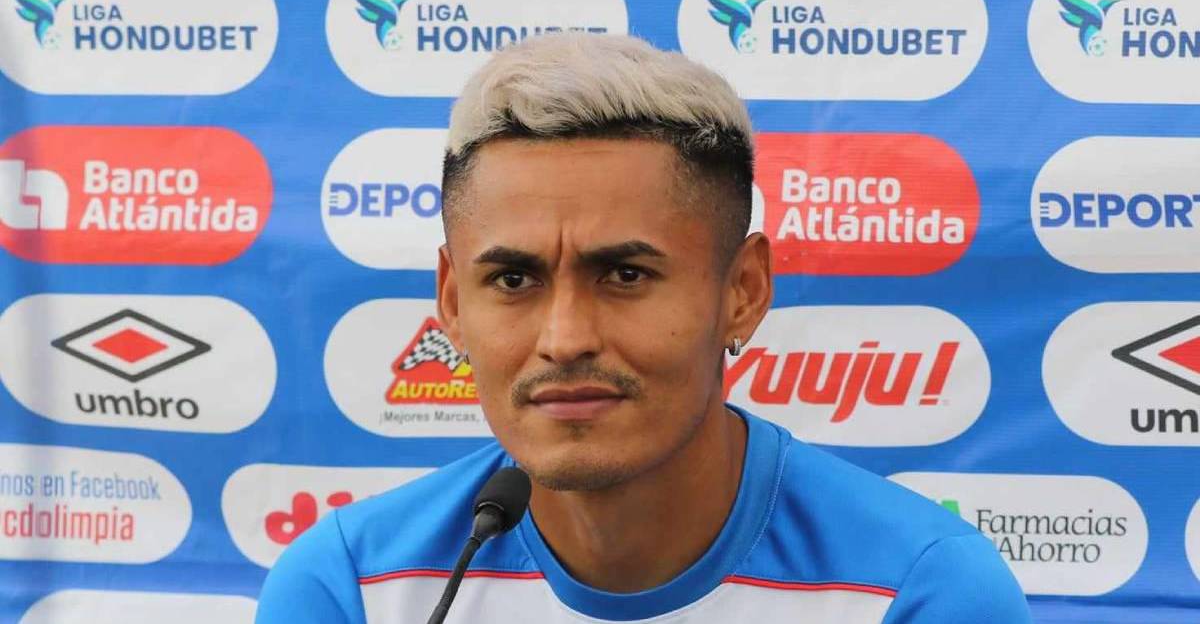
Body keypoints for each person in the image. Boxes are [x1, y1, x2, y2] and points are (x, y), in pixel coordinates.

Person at [256, 33, 1031, 623]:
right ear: (453, 304)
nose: (564, 339)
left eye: (625, 275)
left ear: (744, 292)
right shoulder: (349, 588)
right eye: (514, 280)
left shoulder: (920, 588)